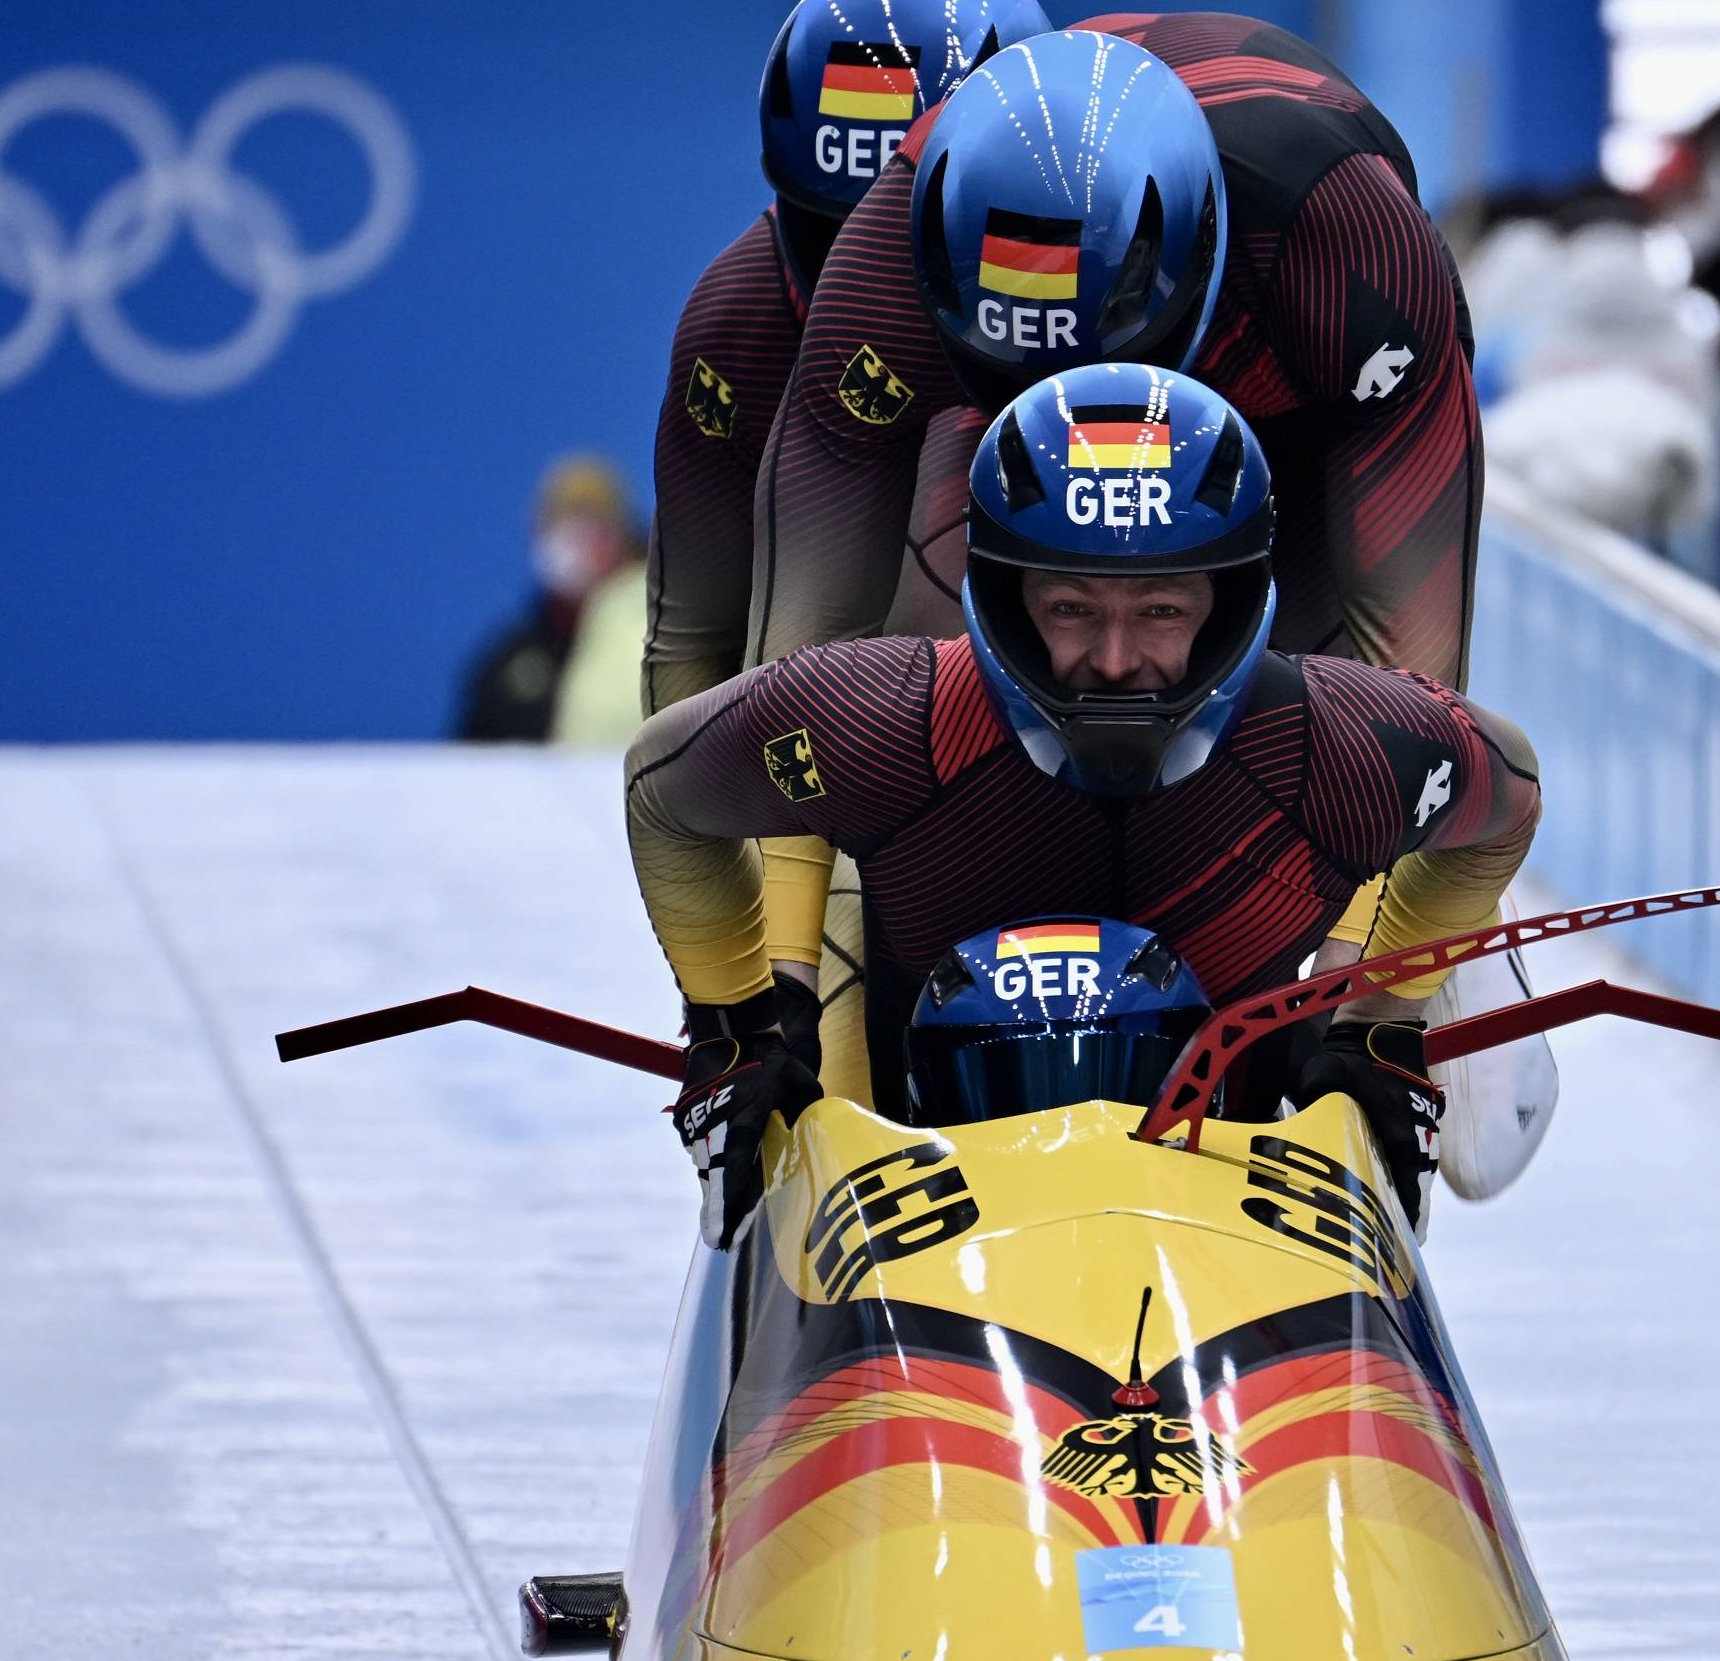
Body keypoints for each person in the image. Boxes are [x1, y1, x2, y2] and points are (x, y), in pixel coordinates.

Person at [625, 368, 1538, 1241]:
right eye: (1068, 609)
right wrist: (737, 1024)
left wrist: (1380, 1018)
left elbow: (1506, 803)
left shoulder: (1340, 741)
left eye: (1162, 613)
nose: (1111, 661)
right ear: (1007, 597)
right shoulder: (878, 718)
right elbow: (661, 794)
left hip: (1244, 1191)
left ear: (1226, 603)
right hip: (912, 1164)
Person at [741, 17, 1482, 687]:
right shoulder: (885, 266)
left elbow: (1417, 706)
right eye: (1035, 364)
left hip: (1292, 390)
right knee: (939, 684)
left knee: (1302, 704)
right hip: (1006, 405)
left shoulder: (1346, 250)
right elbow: (792, 680)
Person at [638, 0, 1050, 714]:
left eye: (904, 233)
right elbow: (696, 633)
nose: (868, 278)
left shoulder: (1100, 280)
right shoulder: (739, 322)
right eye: (841, 231)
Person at [456, 452, 650, 747]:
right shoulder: (506, 665)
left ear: (625, 538)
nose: (577, 542)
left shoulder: (663, 641)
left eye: (593, 525)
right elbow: (460, 774)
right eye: (562, 522)